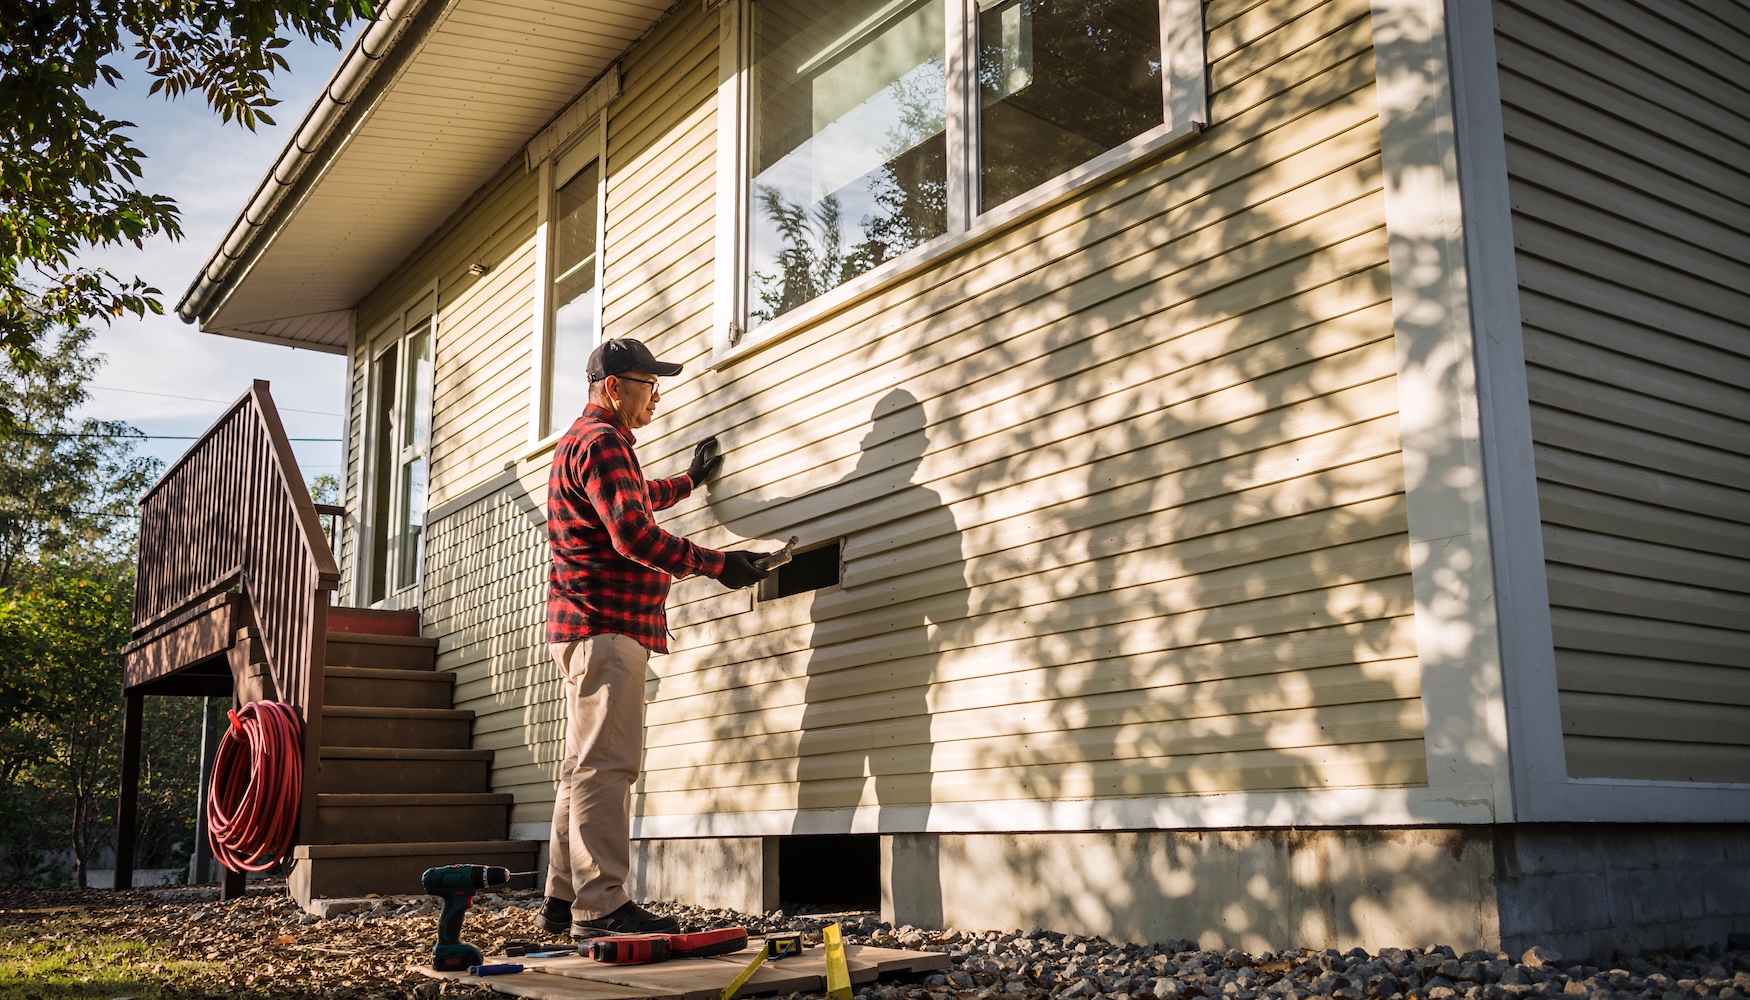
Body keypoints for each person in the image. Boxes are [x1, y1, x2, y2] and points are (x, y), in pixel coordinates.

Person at [537, 337, 772, 938]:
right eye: (648, 383)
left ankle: (564, 900)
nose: (656, 396)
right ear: (614, 387)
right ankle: (601, 905)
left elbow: (629, 497)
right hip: (607, 629)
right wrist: (721, 564)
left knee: (582, 767)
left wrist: (689, 482)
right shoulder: (606, 442)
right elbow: (633, 535)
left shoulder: (583, 443)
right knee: (608, 767)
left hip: (581, 627)